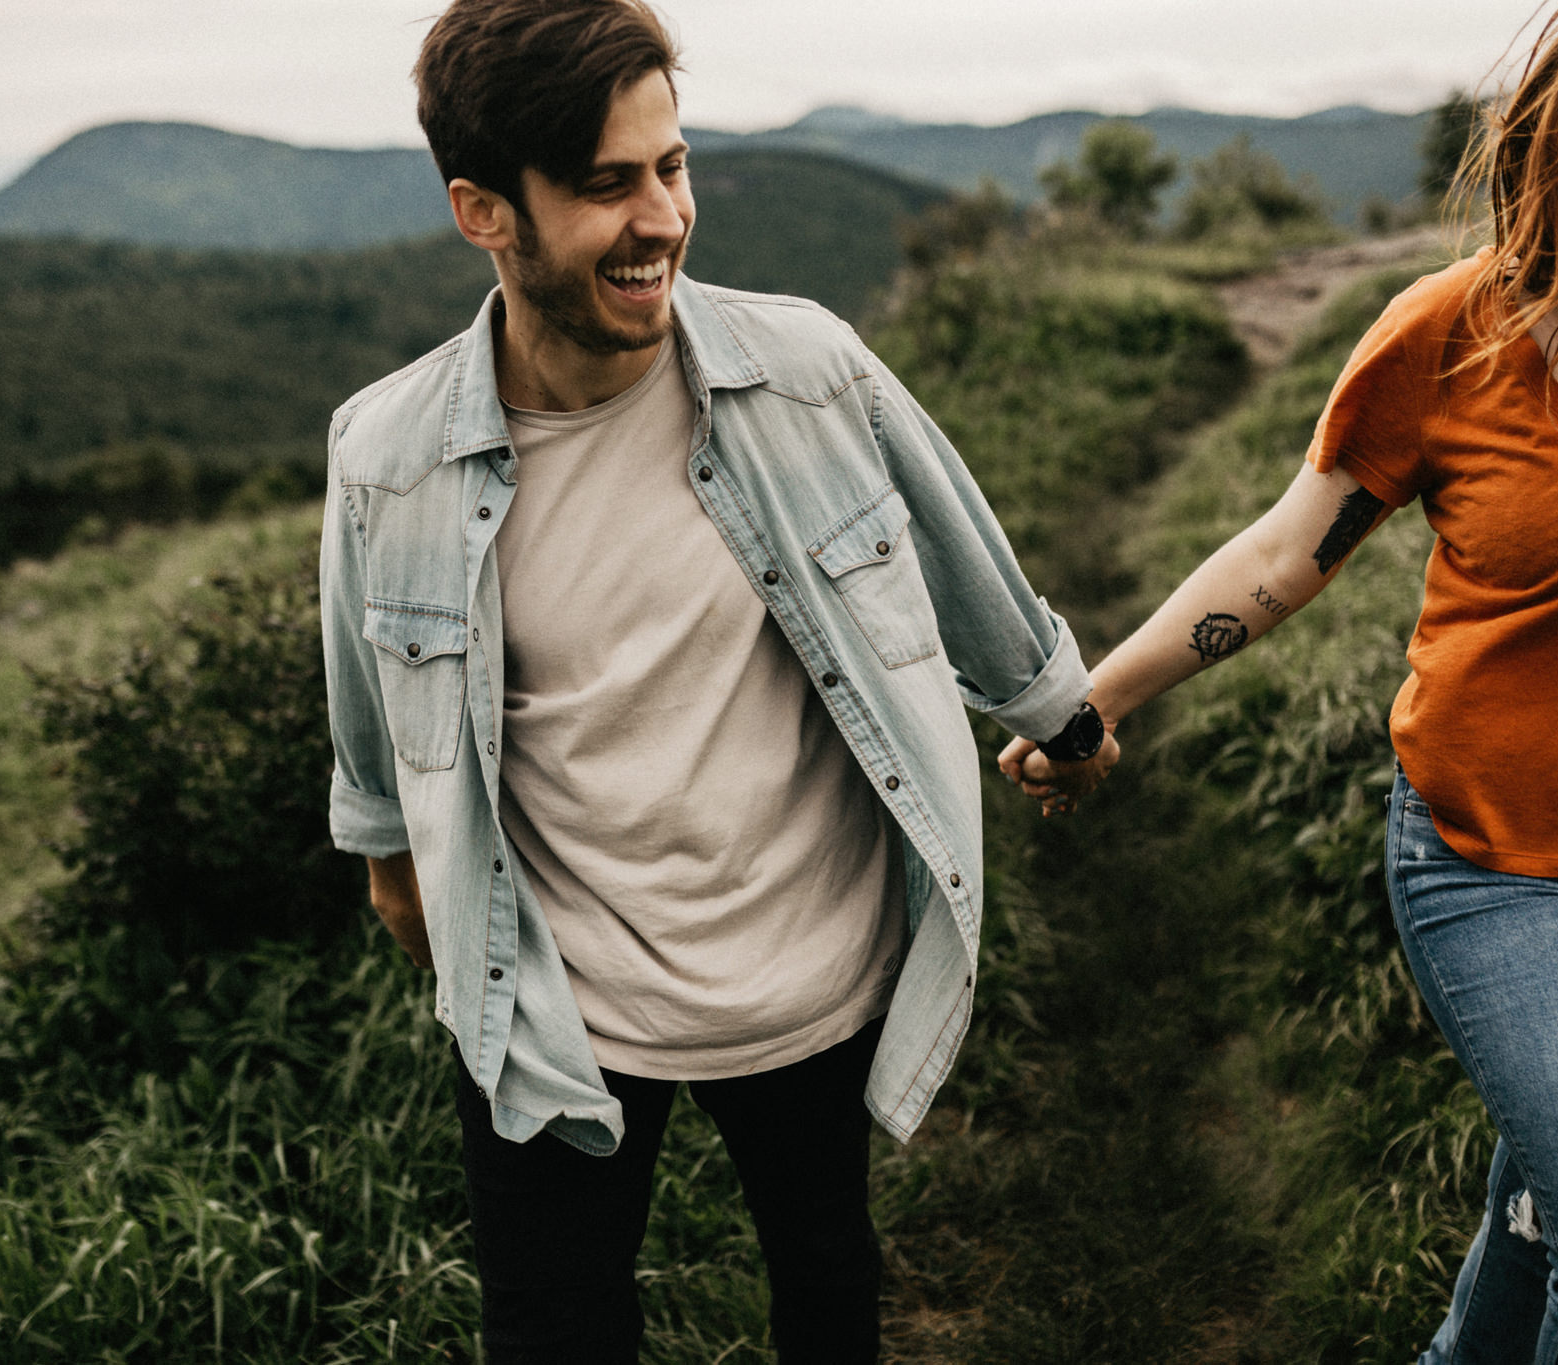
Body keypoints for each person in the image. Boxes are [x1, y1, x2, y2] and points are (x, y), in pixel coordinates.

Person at [318, 2, 1111, 1359]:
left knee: (825, 1285)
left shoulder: (803, 370)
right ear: (483, 210)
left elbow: (964, 553)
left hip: (809, 978)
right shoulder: (386, 458)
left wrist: (1064, 719)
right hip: (555, 1014)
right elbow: (378, 783)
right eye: (605, 184)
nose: (662, 218)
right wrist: (431, 911)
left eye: (670, 167)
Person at [1002, 0, 1558, 1358]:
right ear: (1542, 152)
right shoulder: (1450, 339)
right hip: (1497, 865)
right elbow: (1290, 553)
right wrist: (1100, 700)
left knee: (1553, 1213)